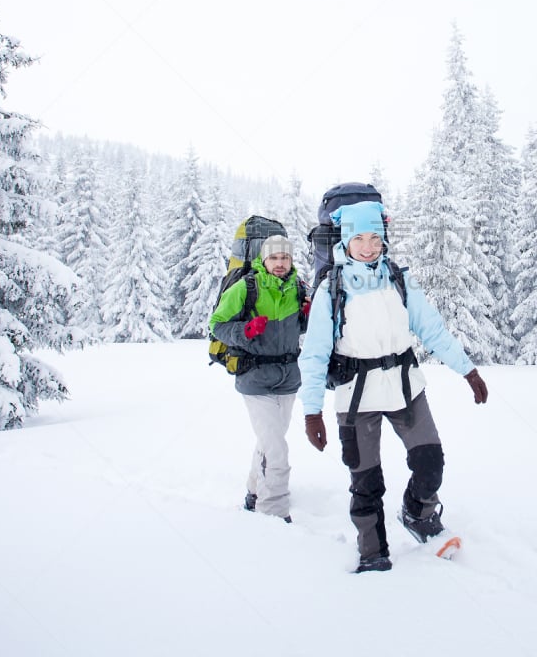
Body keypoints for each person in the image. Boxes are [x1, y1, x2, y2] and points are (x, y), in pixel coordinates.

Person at [298, 201, 488, 572]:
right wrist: (311, 412)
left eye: (375, 238)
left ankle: (417, 514)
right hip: (356, 396)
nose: (369, 247)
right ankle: (372, 551)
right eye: (360, 239)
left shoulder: (400, 279)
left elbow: (432, 329)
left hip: (405, 388)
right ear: (346, 241)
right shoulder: (331, 290)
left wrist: (468, 371)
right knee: (366, 481)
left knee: (431, 463)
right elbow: (315, 354)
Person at [209, 234, 308, 523]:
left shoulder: (297, 289)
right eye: (274, 258)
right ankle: (273, 513)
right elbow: (216, 325)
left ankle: (254, 493)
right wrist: (246, 331)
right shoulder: (246, 288)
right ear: (263, 260)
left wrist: (306, 316)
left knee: (269, 443)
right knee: (277, 449)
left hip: (288, 379)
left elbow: (296, 330)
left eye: (285, 257)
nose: (280, 263)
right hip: (254, 380)